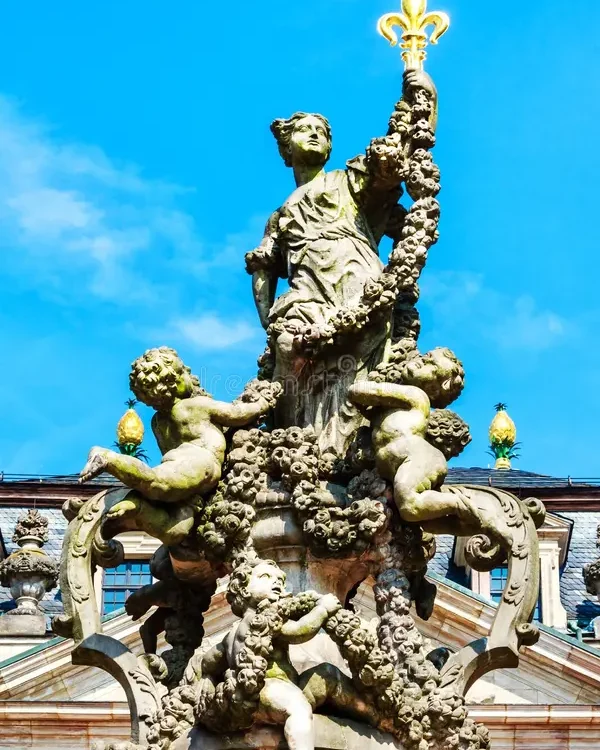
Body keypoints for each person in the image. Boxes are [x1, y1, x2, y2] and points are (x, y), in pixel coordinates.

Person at [246, 70, 437, 458]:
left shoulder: (347, 181)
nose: (316, 134)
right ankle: (308, 460)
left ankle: (352, 460)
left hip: (358, 288)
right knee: (300, 382)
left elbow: (398, 154)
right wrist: (269, 321)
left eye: (323, 131)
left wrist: (426, 100)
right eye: (306, 130)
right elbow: (263, 268)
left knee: (357, 379)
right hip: (304, 300)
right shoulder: (279, 215)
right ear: (287, 147)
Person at [79, 347, 281, 545]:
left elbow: (167, 453)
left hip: (185, 477)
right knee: (157, 483)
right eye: (183, 371)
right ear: (173, 381)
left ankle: (140, 508)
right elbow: (238, 414)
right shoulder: (195, 405)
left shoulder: (157, 422)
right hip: (199, 463)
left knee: (176, 532)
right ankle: (108, 458)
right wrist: (262, 403)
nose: (189, 374)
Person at [196, 560, 378, 750]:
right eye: (265, 577)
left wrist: (207, 680)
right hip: (265, 687)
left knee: (327, 673)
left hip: (284, 686)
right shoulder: (263, 619)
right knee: (299, 710)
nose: (276, 582)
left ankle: (372, 713)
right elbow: (298, 632)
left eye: (280, 580)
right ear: (244, 590)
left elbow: (209, 662)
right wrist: (322, 609)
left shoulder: (229, 636)